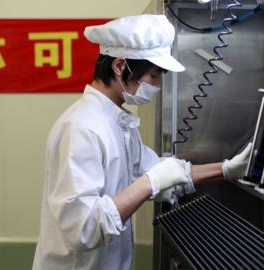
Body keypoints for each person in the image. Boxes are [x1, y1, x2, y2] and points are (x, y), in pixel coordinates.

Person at [32, 15, 251, 270]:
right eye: (154, 75)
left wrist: (225, 169)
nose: (158, 85)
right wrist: (150, 183)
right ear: (119, 66)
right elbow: (83, 228)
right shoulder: (81, 128)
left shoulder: (118, 123)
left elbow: (163, 172)